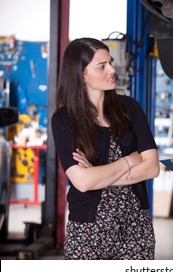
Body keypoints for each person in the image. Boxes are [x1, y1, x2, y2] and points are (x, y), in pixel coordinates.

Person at [51, 38, 159, 260]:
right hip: (88, 230)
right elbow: (82, 182)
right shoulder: (64, 120)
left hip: (135, 227)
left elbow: (152, 168)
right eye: (102, 66)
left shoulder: (129, 108)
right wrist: (128, 161)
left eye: (110, 62)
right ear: (81, 75)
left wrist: (98, 175)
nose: (112, 70)